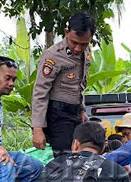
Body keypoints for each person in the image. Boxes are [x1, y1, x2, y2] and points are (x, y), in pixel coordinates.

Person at [31, 12, 94, 157]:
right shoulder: (53, 56)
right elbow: (40, 91)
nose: (78, 48)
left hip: (75, 114)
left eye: (83, 44)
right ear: (66, 32)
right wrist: (38, 128)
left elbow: (79, 85)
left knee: (80, 157)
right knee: (65, 160)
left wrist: (82, 110)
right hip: (58, 116)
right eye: (74, 42)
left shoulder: (86, 53)